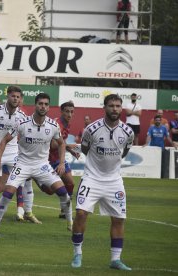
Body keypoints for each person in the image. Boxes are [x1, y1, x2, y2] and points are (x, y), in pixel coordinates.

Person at [0, 93, 72, 236]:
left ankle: (70, 223)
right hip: (22, 165)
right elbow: (3, 141)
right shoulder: (21, 123)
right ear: (35, 105)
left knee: (63, 193)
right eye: (40, 103)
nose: (43, 106)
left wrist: (62, 162)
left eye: (46, 104)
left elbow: (61, 144)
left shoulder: (53, 125)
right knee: (7, 193)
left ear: (49, 107)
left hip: (42, 166)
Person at [70, 94, 134, 271]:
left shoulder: (128, 132)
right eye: (111, 106)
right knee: (81, 213)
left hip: (114, 181)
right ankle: (77, 253)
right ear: (104, 108)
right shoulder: (92, 129)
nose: (115, 109)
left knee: (119, 219)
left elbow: (124, 151)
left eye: (118, 106)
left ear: (121, 108)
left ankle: (115, 259)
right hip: (91, 178)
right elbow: (84, 148)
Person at [0, 86, 40, 224]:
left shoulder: (22, 116)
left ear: (20, 99)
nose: (15, 99)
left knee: (26, 182)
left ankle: (27, 212)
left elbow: (27, 134)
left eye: (18, 97)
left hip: (13, 154)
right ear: (8, 97)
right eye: (13, 96)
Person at [48, 101, 80, 219]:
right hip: (49, 159)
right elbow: (53, 145)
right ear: (61, 112)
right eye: (67, 111)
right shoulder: (58, 124)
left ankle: (65, 210)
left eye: (72, 112)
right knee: (49, 190)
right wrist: (69, 146)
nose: (70, 114)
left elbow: (61, 144)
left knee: (70, 183)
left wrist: (70, 150)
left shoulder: (67, 124)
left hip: (59, 158)